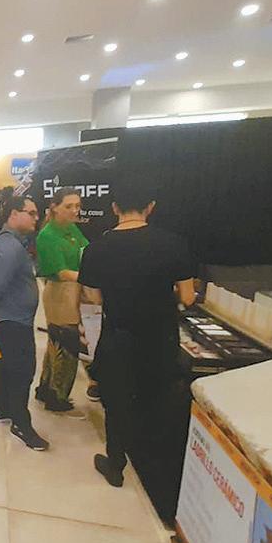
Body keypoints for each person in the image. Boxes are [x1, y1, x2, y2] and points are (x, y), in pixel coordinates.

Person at [79, 181, 196, 525]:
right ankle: (152, 464)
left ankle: (115, 463)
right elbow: (187, 296)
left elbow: (93, 297)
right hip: (160, 336)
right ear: (151, 207)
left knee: (117, 398)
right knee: (156, 396)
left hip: (119, 334)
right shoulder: (173, 244)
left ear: (114, 208)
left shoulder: (98, 248)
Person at [0, 195, 49, 451]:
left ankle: (2, 408)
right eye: (31, 213)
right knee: (22, 370)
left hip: (7, 317)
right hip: (11, 320)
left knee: (3, 363)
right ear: (14, 214)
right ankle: (21, 423)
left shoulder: (6, 242)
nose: (36, 218)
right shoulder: (11, 247)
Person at [34, 188, 89, 418]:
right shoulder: (47, 235)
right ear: (55, 207)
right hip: (60, 293)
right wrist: (90, 275)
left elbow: (86, 249)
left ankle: (47, 388)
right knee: (66, 344)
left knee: (56, 343)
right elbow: (60, 271)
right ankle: (57, 397)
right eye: (69, 206)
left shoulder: (71, 229)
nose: (75, 210)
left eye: (77, 206)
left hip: (71, 292)